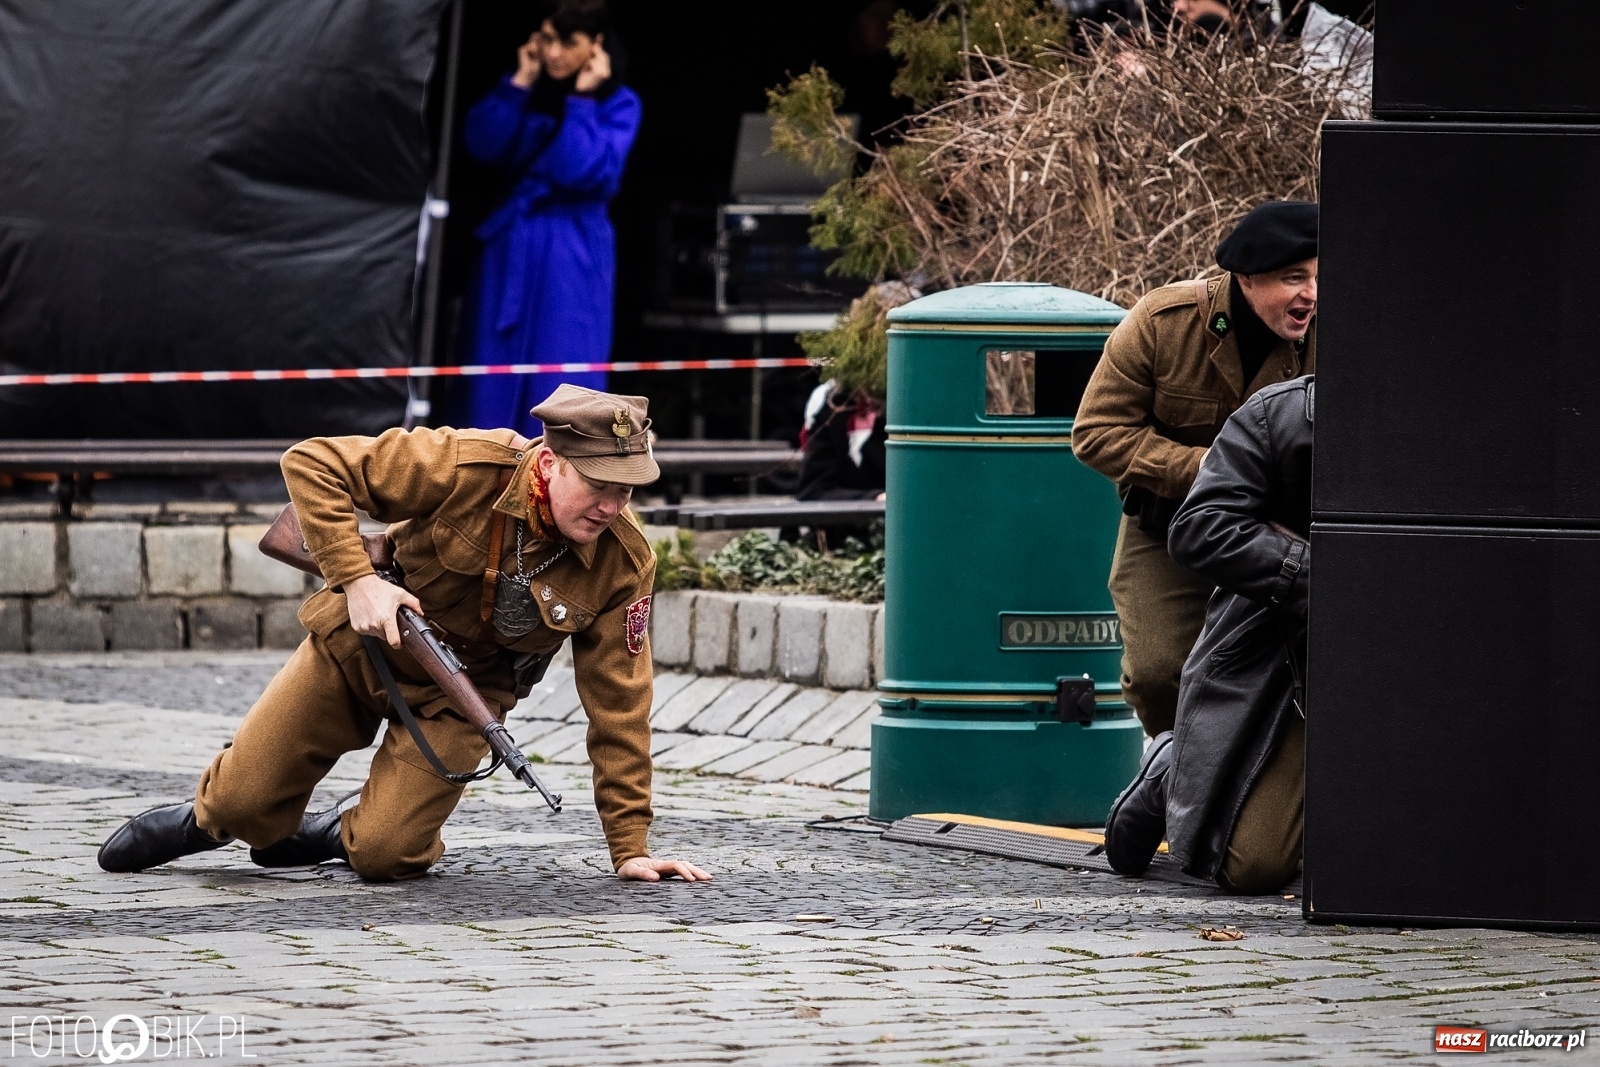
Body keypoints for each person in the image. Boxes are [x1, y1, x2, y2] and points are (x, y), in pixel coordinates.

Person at [98, 385, 711, 885]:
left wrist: (629, 846)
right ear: (549, 463)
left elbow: (621, 706)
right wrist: (359, 579)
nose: (612, 505)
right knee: (244, 808)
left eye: (626, 489)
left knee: (386, 856)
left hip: (462, 696)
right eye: (599, 485)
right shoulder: (469, 464)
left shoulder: (623, 564)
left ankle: (333, 833)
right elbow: (311, 461)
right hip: (358, 650)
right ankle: (202, 821)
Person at [1072, 199, 1317, 737]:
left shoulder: (1338, 334)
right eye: (1294, 278)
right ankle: (1176, 791)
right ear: (1248, 278)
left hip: (1281, 535)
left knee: (1305, 674)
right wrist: (1211, 467)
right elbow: (1096, 433)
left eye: (1323, 277)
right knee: (1160, 675)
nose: (1313, 294)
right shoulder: (1163, 323)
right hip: (1168, 527)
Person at [1102, 374, 1312, 894]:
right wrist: (1316, 572)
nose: (1306, 294)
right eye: (1291, 282)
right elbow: (1199, 523)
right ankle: (1177, 762)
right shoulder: (1280, 414)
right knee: (1253, 865)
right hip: (1285, 660)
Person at [451, 0, 641, 438]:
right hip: (510, 244)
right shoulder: (526, 91)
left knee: (565, 363)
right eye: (547, 39)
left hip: (573, 250)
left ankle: (565, 482)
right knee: (492, 369)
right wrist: (519, 83)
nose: (553, 53)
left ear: (595, 44)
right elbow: (481, 145)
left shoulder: (619, 103)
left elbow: (577, 169)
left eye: (567, 42)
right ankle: (484, 475)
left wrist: (581, 100)